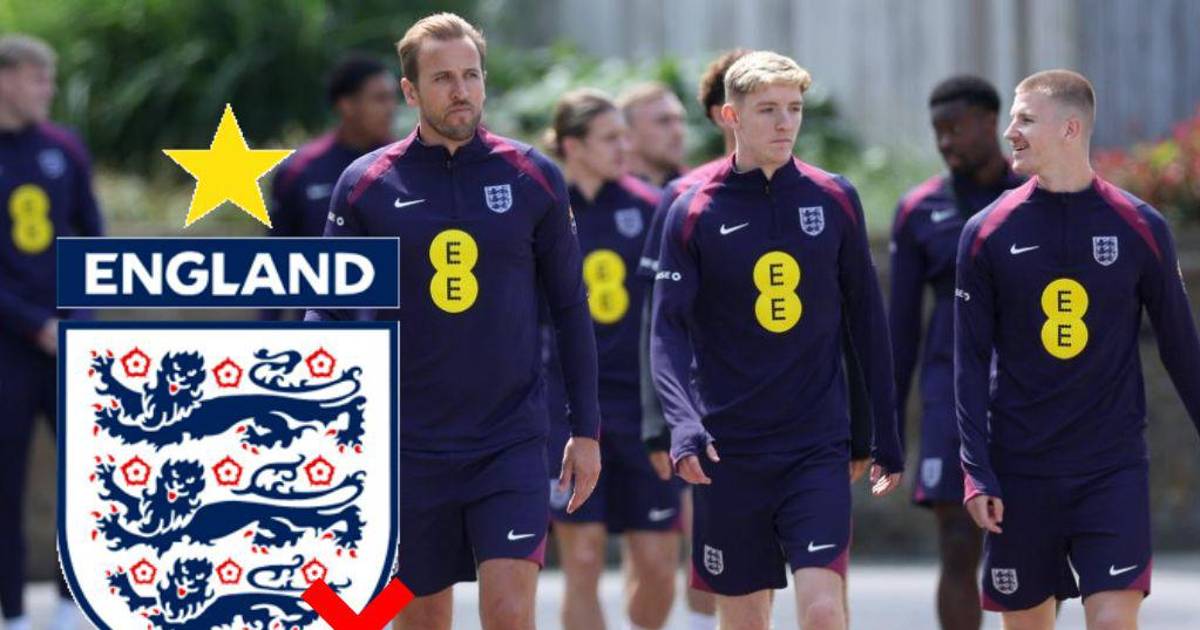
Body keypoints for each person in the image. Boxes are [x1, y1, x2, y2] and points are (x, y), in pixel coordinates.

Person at [304, 13, 602, 630]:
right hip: (408, 443)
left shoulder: (533, 176)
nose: (461, 91)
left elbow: (571, 308)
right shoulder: (365, 185)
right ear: (411, 91)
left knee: (510, 613)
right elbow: (327, 308)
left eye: (471, 75)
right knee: (422, 618)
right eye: (442, 78)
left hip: (511, 440)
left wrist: (586, 429)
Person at [650, 51, 903, 630]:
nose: (785, 122)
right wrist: (682, 424)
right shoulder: (692, 210)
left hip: (815, 445)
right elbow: (666, 330)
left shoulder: (833, 197)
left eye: (794, 108)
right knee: (745, 620)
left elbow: (867, 322)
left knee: (823, 609)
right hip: (728, 449)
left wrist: (884, 432)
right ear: (731, 116)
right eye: (768, 110)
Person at [955, 69, 1200, 629]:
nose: (1010, 133)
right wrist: (976, 471)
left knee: (1113, 621)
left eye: (1025, 120)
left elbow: (1182, 350)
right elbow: (969, 364)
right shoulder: (986, 232)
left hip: (1111, 470)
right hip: (1020, 471)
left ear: (1070, 128)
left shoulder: (1141, 226)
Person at [888, 75, 1023, 630]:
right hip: (950, 397)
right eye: (937, 131)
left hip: (1027, 393)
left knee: (1027, 546)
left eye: (955, 128)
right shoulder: (918, 209)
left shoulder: (1036, 195)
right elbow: (900, 330)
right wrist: (887, 428)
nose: (945, 142)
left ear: (990, 122)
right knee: (958, 540)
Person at [541, 88, 678, 630]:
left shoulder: (651, 207)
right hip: (567, 407)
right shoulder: (543, 210)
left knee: (658, 564)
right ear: (573, 145)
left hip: (641, 407)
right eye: (610, 138)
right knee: (582, 557)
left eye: (626, 135)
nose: (625, 147)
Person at [0, 34, 104, 630]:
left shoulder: (64, 147)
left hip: (68, 341)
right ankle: (14, 612)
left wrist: (76, 320)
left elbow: (93, 238)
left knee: (86, 476)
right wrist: (30, 323)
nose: (49, 90)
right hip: (9, 347)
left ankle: (71, 604)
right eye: (38, 78)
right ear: (7, 79)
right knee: (6, 482)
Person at [263, 54, 397, 320]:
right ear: (347, 105)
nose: (391, 108)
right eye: (380, 99)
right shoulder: (298, 171)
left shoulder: (408, 168)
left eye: (393, 98)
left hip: (397, 338)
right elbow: (275, 267)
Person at [618, 82, 687, 187]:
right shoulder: (602, 192)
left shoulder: (700, 189)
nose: (678, 132)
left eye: (680, 120)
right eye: (664, 121)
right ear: (627, 135)